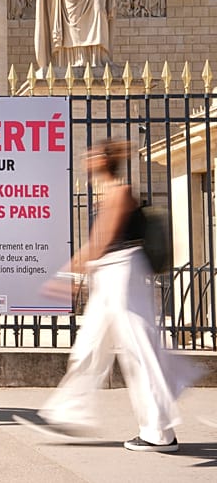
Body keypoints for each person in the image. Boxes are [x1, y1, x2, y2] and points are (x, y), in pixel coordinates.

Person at [23, 140, 201, 452]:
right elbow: (98, 245)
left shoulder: (120, 192)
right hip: (107, 274)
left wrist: (68, 275)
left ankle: (160, 433)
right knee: (89, 346)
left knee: (138, 350)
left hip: (122, 273)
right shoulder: (106, 194)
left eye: (90, 155)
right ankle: (68, 414)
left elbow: (101, 241)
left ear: (103, 160)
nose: (84, 158)